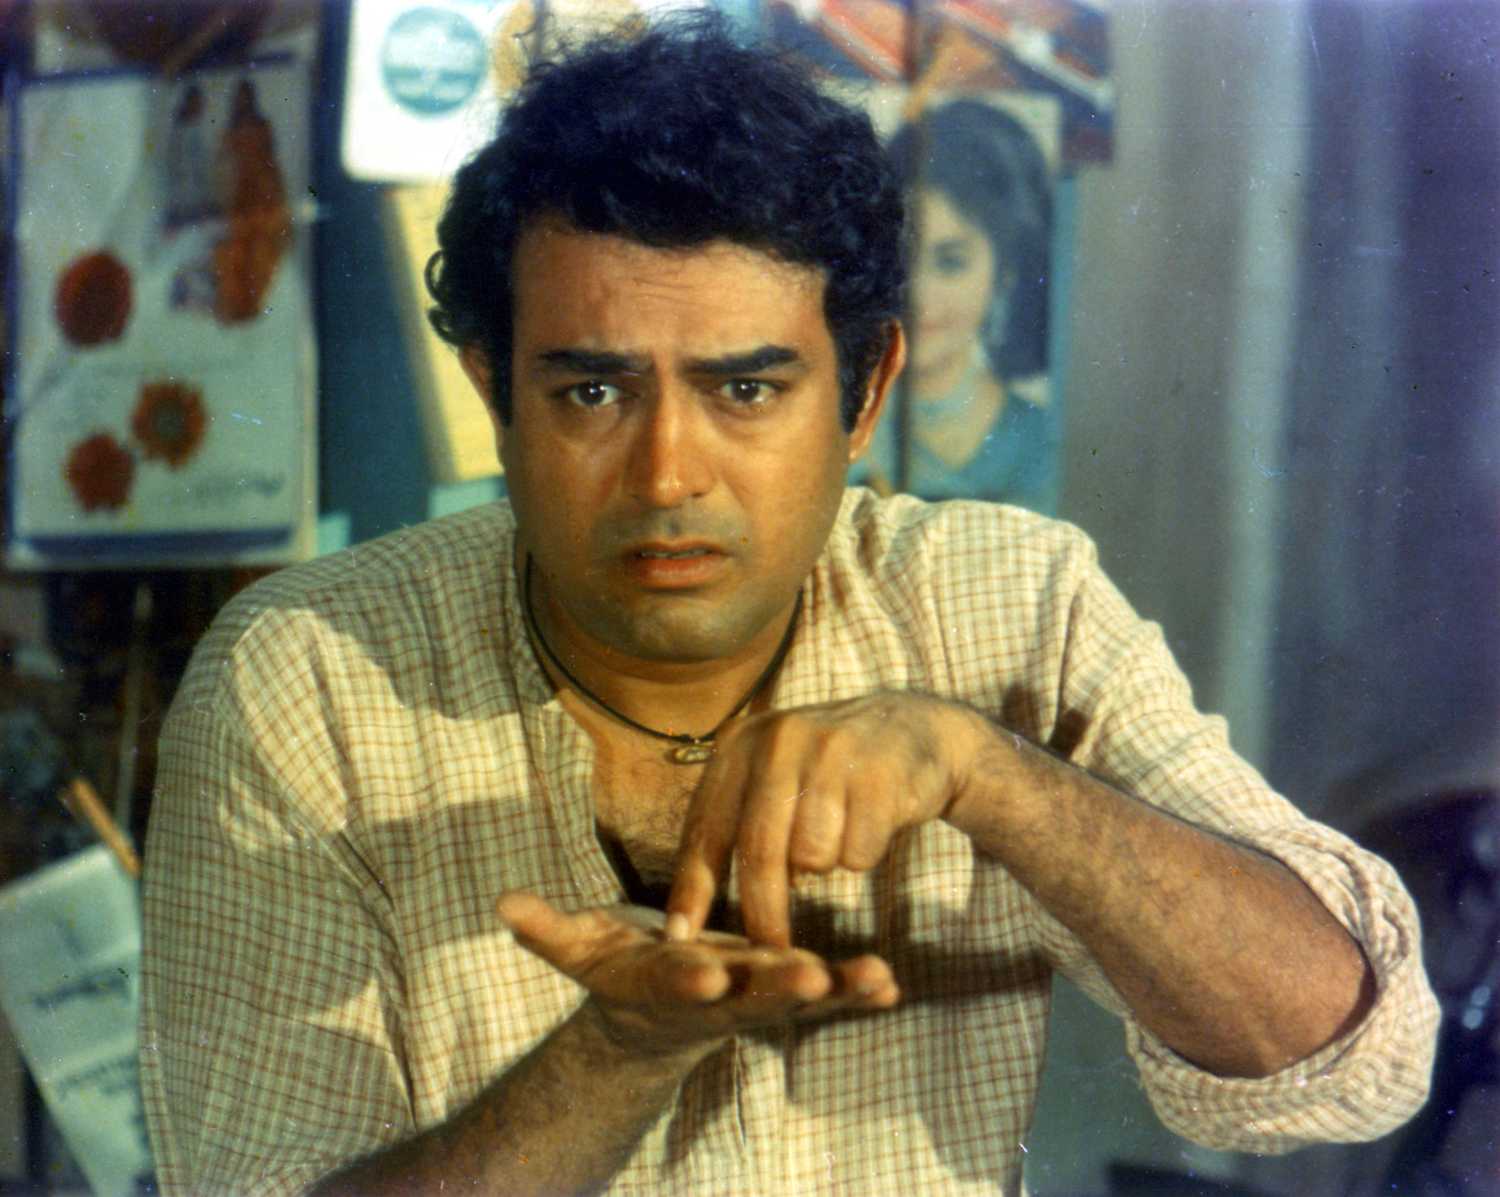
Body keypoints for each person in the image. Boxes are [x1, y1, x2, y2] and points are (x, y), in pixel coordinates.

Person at [139, 15, 1439, 1196]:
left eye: (746, 390)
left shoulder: (1008, 604)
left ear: (864, 395)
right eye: (593, 392)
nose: (667, 474)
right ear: (495, 393)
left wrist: (994, 778)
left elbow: (1355, 1049)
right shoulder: (307, 680)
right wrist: (619, 1049)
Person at [853, 99, 1059, 511]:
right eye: (903, 258)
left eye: (951, 263)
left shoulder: (1038, 443)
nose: (919, 296)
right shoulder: (838, 428)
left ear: (1005, 273)